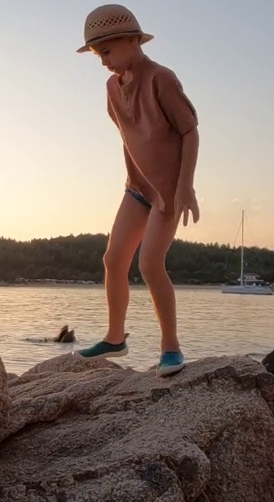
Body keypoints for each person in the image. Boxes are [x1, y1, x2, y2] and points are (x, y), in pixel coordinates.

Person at [72, 4, 200, 377]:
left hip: (169, 190)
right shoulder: (112, 88)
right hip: (137, 187)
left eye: (107, 52)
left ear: (132, 39)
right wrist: (133, 180)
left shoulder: (162, 78)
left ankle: (171, 348)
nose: (103, 62)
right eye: (98, 55)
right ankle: (115, 338)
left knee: (149, 263)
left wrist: (186, 187)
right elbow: (130, 138)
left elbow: (189, 131)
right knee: (113, 260)